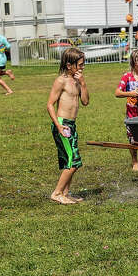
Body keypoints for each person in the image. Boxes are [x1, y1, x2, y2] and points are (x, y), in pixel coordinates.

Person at [47, 47, 89, 204]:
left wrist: (83, 84)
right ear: (69, 65)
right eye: (80, 64)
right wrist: (58, 126)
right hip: (63, 125)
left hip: (72, 124)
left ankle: (65, 193)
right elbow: (50, 105)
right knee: (73, 161)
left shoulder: (77, 81)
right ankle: (57, 193)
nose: (82, 67)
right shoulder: (61, 81)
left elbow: (85, 102)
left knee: (71, 161)